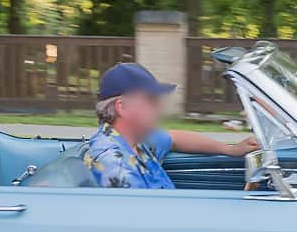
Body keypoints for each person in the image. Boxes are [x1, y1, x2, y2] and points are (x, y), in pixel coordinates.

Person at [82, 62, 258, 189]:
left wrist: (231, 150)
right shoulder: (116, 167)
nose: (159, 107)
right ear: (122, 107)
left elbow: (173, 138)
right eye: (151, 100)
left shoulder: (136, 141)